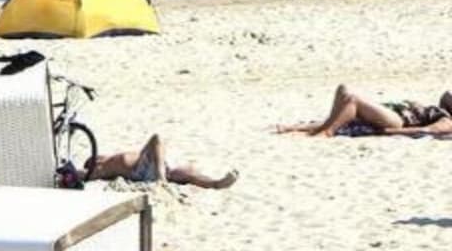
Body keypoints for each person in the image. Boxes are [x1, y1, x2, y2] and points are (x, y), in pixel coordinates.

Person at [276, 84, 452, 137]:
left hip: (398, 120)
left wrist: (391, 131)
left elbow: (426, 130)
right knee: (343, 95)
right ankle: (300, 127)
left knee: (352, 99)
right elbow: (446, 95)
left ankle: (326, 132)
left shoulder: (448, 121)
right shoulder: (440, 108)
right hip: (395, 111)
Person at [86, 135, 238, 189]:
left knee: (188, 173)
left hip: (148, 166)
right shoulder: (104, 167)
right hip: (141, 169)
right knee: (156, 139)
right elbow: (86, 175)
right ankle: (161, 177)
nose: (97, 155)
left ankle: (216, 183)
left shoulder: (112, 158)